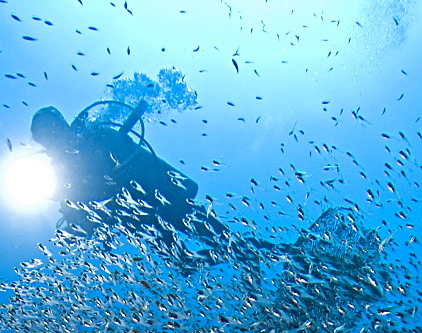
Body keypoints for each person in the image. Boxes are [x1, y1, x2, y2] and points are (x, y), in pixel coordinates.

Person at [31, 103, 263, 270]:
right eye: (40, 138)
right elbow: (78, 218)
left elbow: (134, 164)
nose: (48, 142)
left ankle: (277, 253)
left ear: (61, 125)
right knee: (183, 264)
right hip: (143, 221)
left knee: (226, 241)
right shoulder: (62, 174)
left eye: (49, 132)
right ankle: (257, 256)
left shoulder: (98, 136)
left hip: (166, 199)